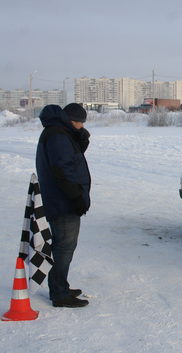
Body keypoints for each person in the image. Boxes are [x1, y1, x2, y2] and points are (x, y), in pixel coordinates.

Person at [36, 103, 91, 308]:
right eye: (80, 122)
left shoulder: (58, 133)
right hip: (63, 201)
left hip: (60, 199)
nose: (82, 125)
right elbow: (63, 169)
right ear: (70, 120)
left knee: (63, 245)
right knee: (64, 247)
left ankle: (60, 286)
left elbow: (73, 155)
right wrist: (76, 197)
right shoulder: (58, 136)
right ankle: (59, 293)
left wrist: (81, 137)